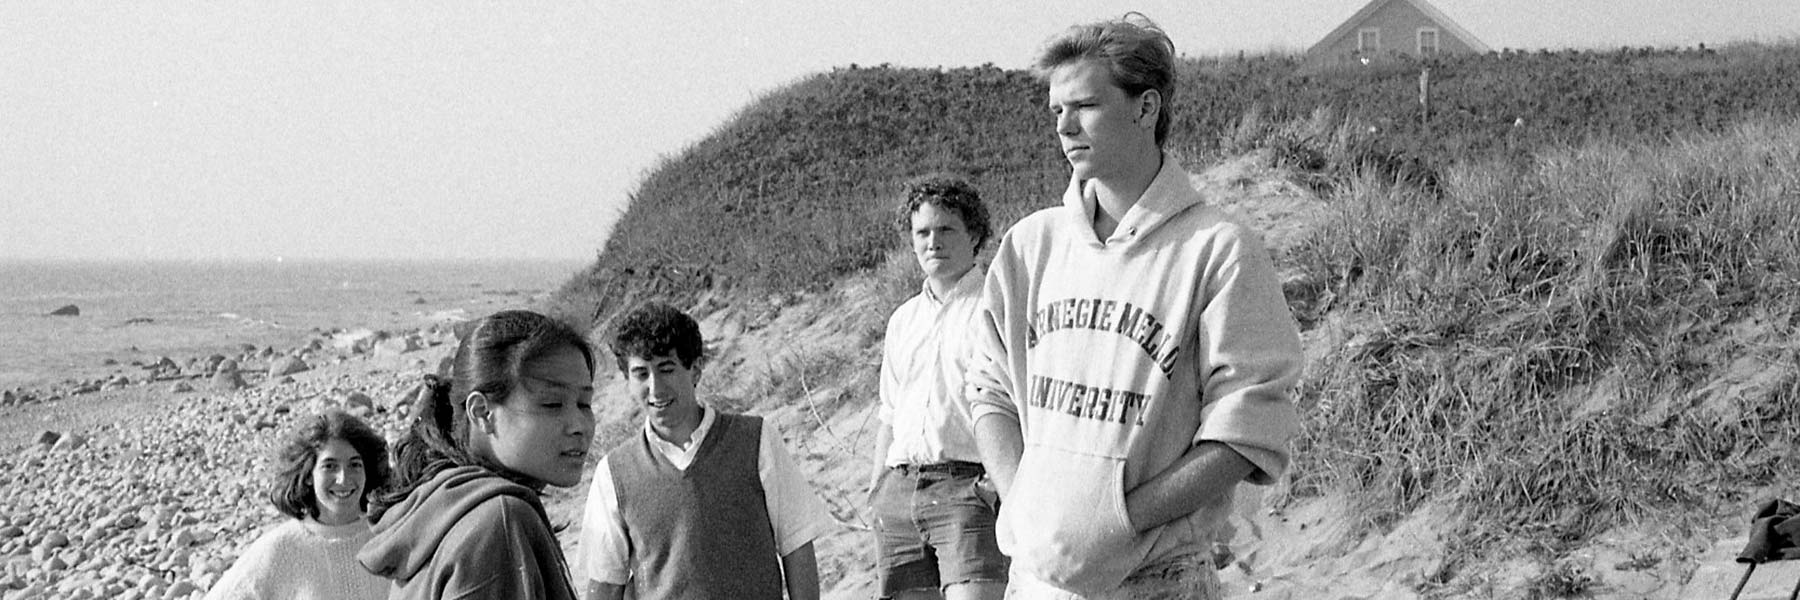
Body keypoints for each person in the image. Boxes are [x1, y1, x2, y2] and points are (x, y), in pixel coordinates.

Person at [963, 14, 1304, 600]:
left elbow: (1247, 429)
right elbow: (989, 390)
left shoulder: (1217, 249)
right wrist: (1025, 502)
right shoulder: (1031, 245)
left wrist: (1119, 518)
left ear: (1146, 108)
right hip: (1034, 581)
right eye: (1056, 111)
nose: (1065, 126)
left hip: (1159, 579)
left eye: (1086, 106)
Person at [580, 302, 832, 600]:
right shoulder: (615, 473)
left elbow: (797, 547)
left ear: (695, 368)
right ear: (628, 380)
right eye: (641, 374)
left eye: (666, 369)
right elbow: (606, 582)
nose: (656, 388)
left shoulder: (755, 441)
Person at [357, 309, 597, 600]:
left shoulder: (437, 506)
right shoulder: (500, 519)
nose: (579, 426)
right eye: (552, 404)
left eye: (584, 403)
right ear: (482, 413)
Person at [868, 174, 1008, 600]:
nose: (933, 242)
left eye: (946, 229)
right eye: (922, 232)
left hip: (968, 489)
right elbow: (889, 414)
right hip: (900, 494)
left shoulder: (996, 306)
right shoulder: (902, 320)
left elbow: (1023, 402)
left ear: (975, 234)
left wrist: (1001, 483)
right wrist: (877, 492)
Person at [204, 410, 391, 600]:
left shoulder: (388, 537)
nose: (343, 479)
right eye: (330, 466)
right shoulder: (281, 548)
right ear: (308, 474)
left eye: (355, 465)